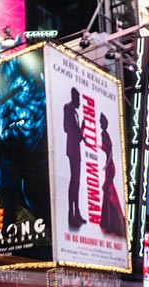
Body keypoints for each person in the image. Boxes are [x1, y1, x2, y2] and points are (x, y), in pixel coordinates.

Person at [99, 113, 126, 237]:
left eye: (101, 122)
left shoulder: (105, 134)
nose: (100, 123)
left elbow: (110, 153)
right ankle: (110, 222)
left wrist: (107, 164)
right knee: (108, 191)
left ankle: (113, 223)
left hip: (110, 167)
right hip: (109, 166)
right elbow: (105, 149)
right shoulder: (103, 134)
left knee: (108, 190)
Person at [64, 87, 87, 228]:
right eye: (78, 99)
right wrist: (81, 130)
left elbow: (77, 135)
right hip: (72, 149)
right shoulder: (68, 108)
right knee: (74, 181)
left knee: (76, 182)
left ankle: (76, 213)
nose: (80, 102)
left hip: (76, 149)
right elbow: (68, 128)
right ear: (74, 98)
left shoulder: (75, 111)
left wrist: (81, 131)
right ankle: (71, 214)